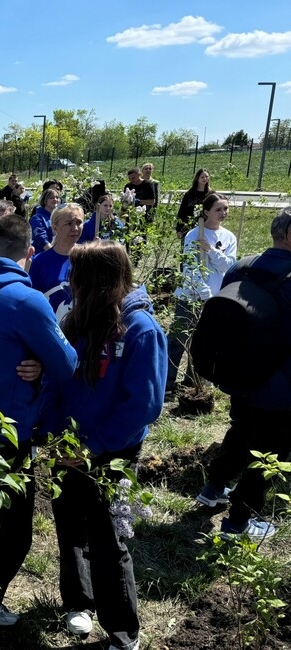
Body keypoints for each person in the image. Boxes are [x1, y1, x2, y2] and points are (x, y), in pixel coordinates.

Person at [0, 214, 78, 650]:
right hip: (9, 432)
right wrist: (44, 366)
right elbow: (67, 365)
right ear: (29, 253)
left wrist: (30, 363)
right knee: (14, 537)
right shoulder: (27, 300)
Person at [42, 240, 167, 650]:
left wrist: (92, 447)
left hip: (112, 455)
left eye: (75, 275)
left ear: (97, 279)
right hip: (67, 448)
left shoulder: (140, 331)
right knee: (69, 527)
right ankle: (78, 602)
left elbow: (143, 407)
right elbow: (59, 379)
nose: (68, 282)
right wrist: (55, 436)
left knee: (109, 538)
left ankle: (121, 632)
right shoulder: (77, 319)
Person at [193, 207, 291, 540]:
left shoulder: (242, 266)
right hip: (280, 385)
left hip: (239, 374)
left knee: (239, 432)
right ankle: (239, 521)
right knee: (268, 452)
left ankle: (212, 488)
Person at [165, 194, 237, 396]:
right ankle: (168, 381)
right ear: (206, 212)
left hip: (215, 297)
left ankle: (193, 382)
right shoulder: (194, 235)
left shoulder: (229, 237)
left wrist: (211, 250)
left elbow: (228, 265)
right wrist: (204, 294)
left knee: (203, 341)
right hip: (190, 295)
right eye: (218, 209)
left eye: (225, 209)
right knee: (179, 337)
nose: (223, 213)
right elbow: (190, 268)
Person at [29, 204, 85, 320]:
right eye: (69, 223)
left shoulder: (88, 258)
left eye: (79, 223)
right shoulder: (40, 262)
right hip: (52, 329)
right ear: (55, 228)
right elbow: (32, 302)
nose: (75, 228)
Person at [176, 168, 213, 236]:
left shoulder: (211, 194)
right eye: (202, 177)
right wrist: (179, 229)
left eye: (206, 177)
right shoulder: (190, 194)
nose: (204, 179)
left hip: (206, 227)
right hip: (189, 226)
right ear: (197, 178)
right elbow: (182, 211)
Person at [29, 188, 60, 254]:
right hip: (42, 255)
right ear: (45, 200)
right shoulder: (37, 218)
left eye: (57, 197)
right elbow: (41, 239)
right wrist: (54, 254)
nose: (55, 199)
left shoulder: (57, 217)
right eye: (51, 198)